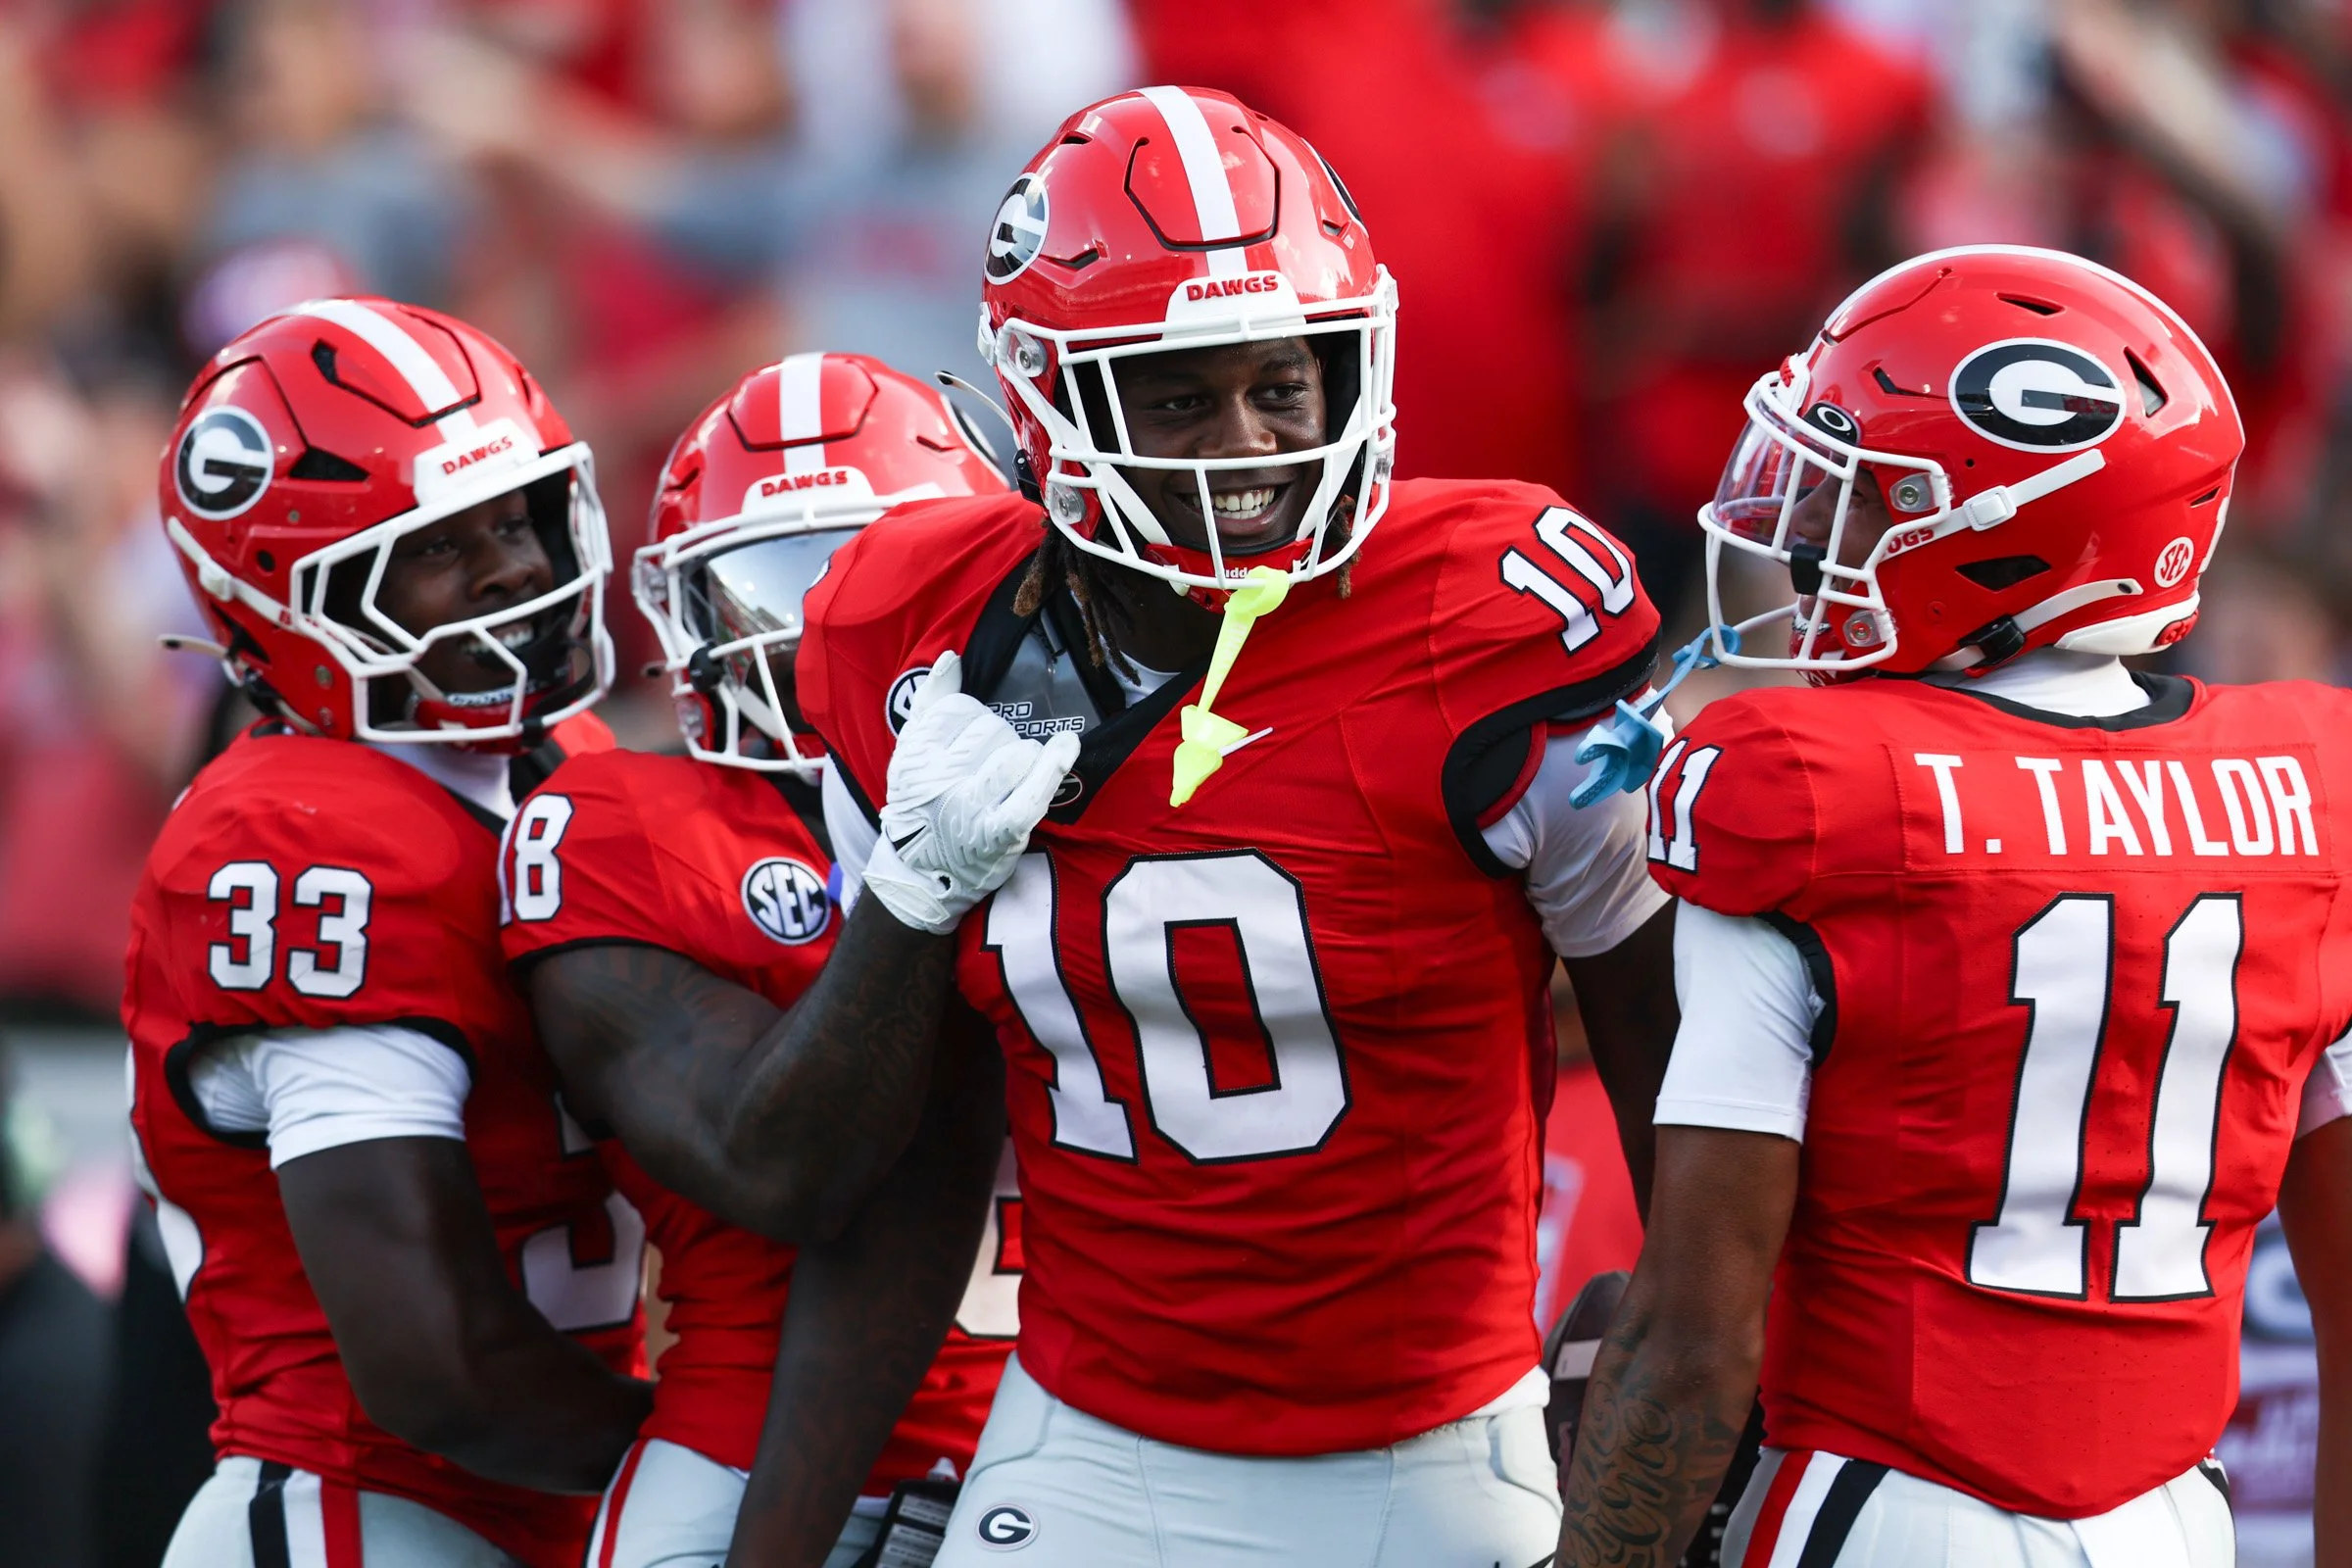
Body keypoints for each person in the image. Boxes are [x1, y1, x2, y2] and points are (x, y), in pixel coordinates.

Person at [737, 86, 1682, 1567]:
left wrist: (1676, 1423)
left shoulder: (1505, 618)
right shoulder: (906, 623)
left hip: (1429, 1451)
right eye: (1175, 392)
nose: (1245, 443)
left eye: (1283, 385)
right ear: (1048, 402)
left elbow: (1669, 1079)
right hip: (1085, 1439)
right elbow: (902, 1159)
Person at [1555, 245, 2352, 1567]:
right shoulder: (2307, 796)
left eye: (1861, 496)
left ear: (2000, 533)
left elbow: (1693, 1339)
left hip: (1883, 1511)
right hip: (2174, 1526)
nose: (1806, 539)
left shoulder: (1812, 795)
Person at [124, 297, 650, 1568]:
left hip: (559, 1500)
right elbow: (437, 1366)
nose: (518, 568)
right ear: (288, 605)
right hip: (377, 1516)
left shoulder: (557, 755)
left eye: (518, 517)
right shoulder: (305, 842)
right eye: (442, 546)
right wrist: (750, 1459)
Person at [499, 352, 1023, 1568]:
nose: (809, 631)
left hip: (1084, 1438)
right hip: (747, 1463)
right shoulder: (628, 826)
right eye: (765, 584)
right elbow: (783, 1165)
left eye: (869, 569)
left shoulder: (1092, 780)